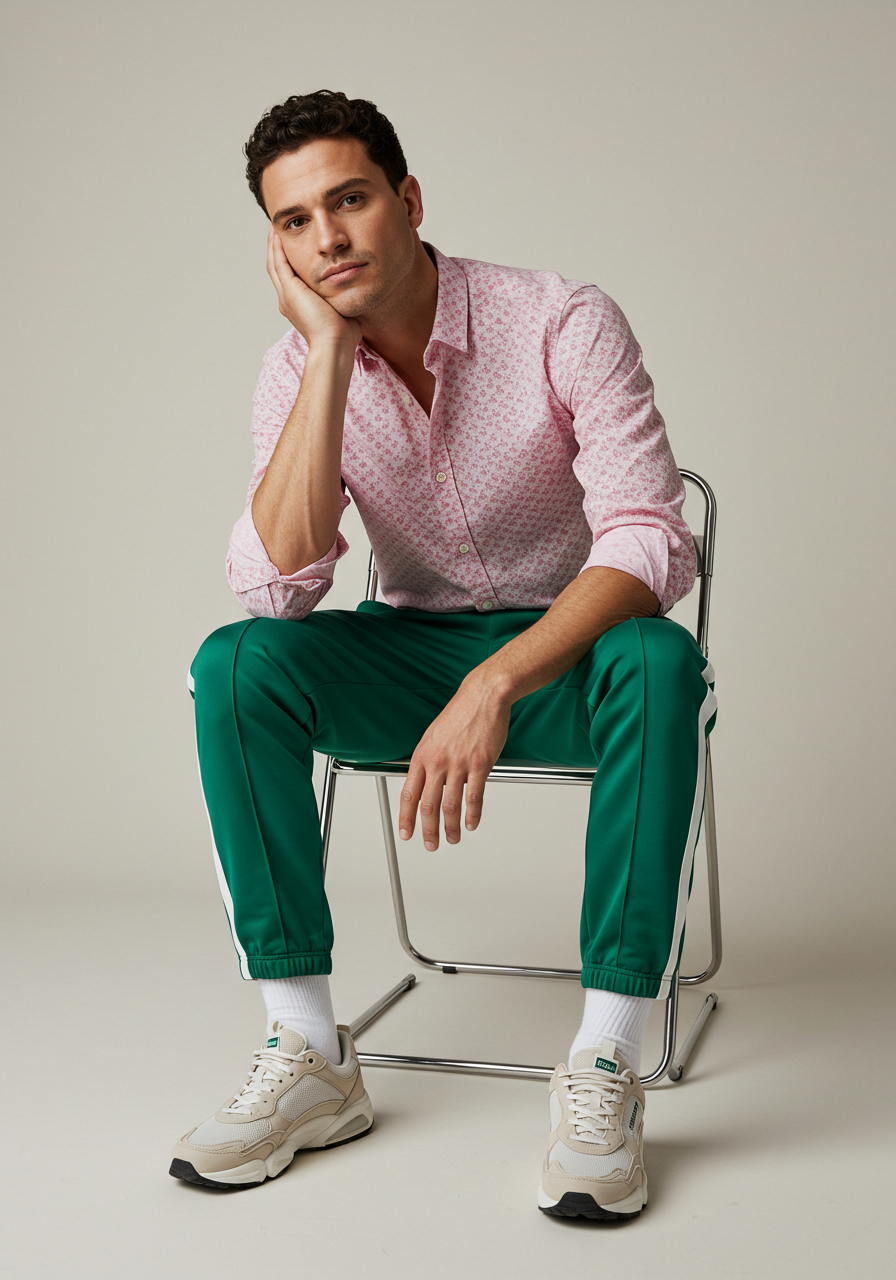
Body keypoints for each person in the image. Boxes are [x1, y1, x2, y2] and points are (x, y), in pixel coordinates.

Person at [169, 90, 716, 1220]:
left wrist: (498, 676)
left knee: (662, 663)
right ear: (273, 244)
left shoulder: (560, 320)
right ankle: (310, 1049)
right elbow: (279, 587)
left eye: (350, 199)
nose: (326, 238)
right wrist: (325, 355)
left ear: (407, 200)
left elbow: (650, 535)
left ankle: (605, 1058)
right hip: (412, 652)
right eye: (293, 220)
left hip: (573, 654)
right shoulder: (292, 369)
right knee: (234, 664)